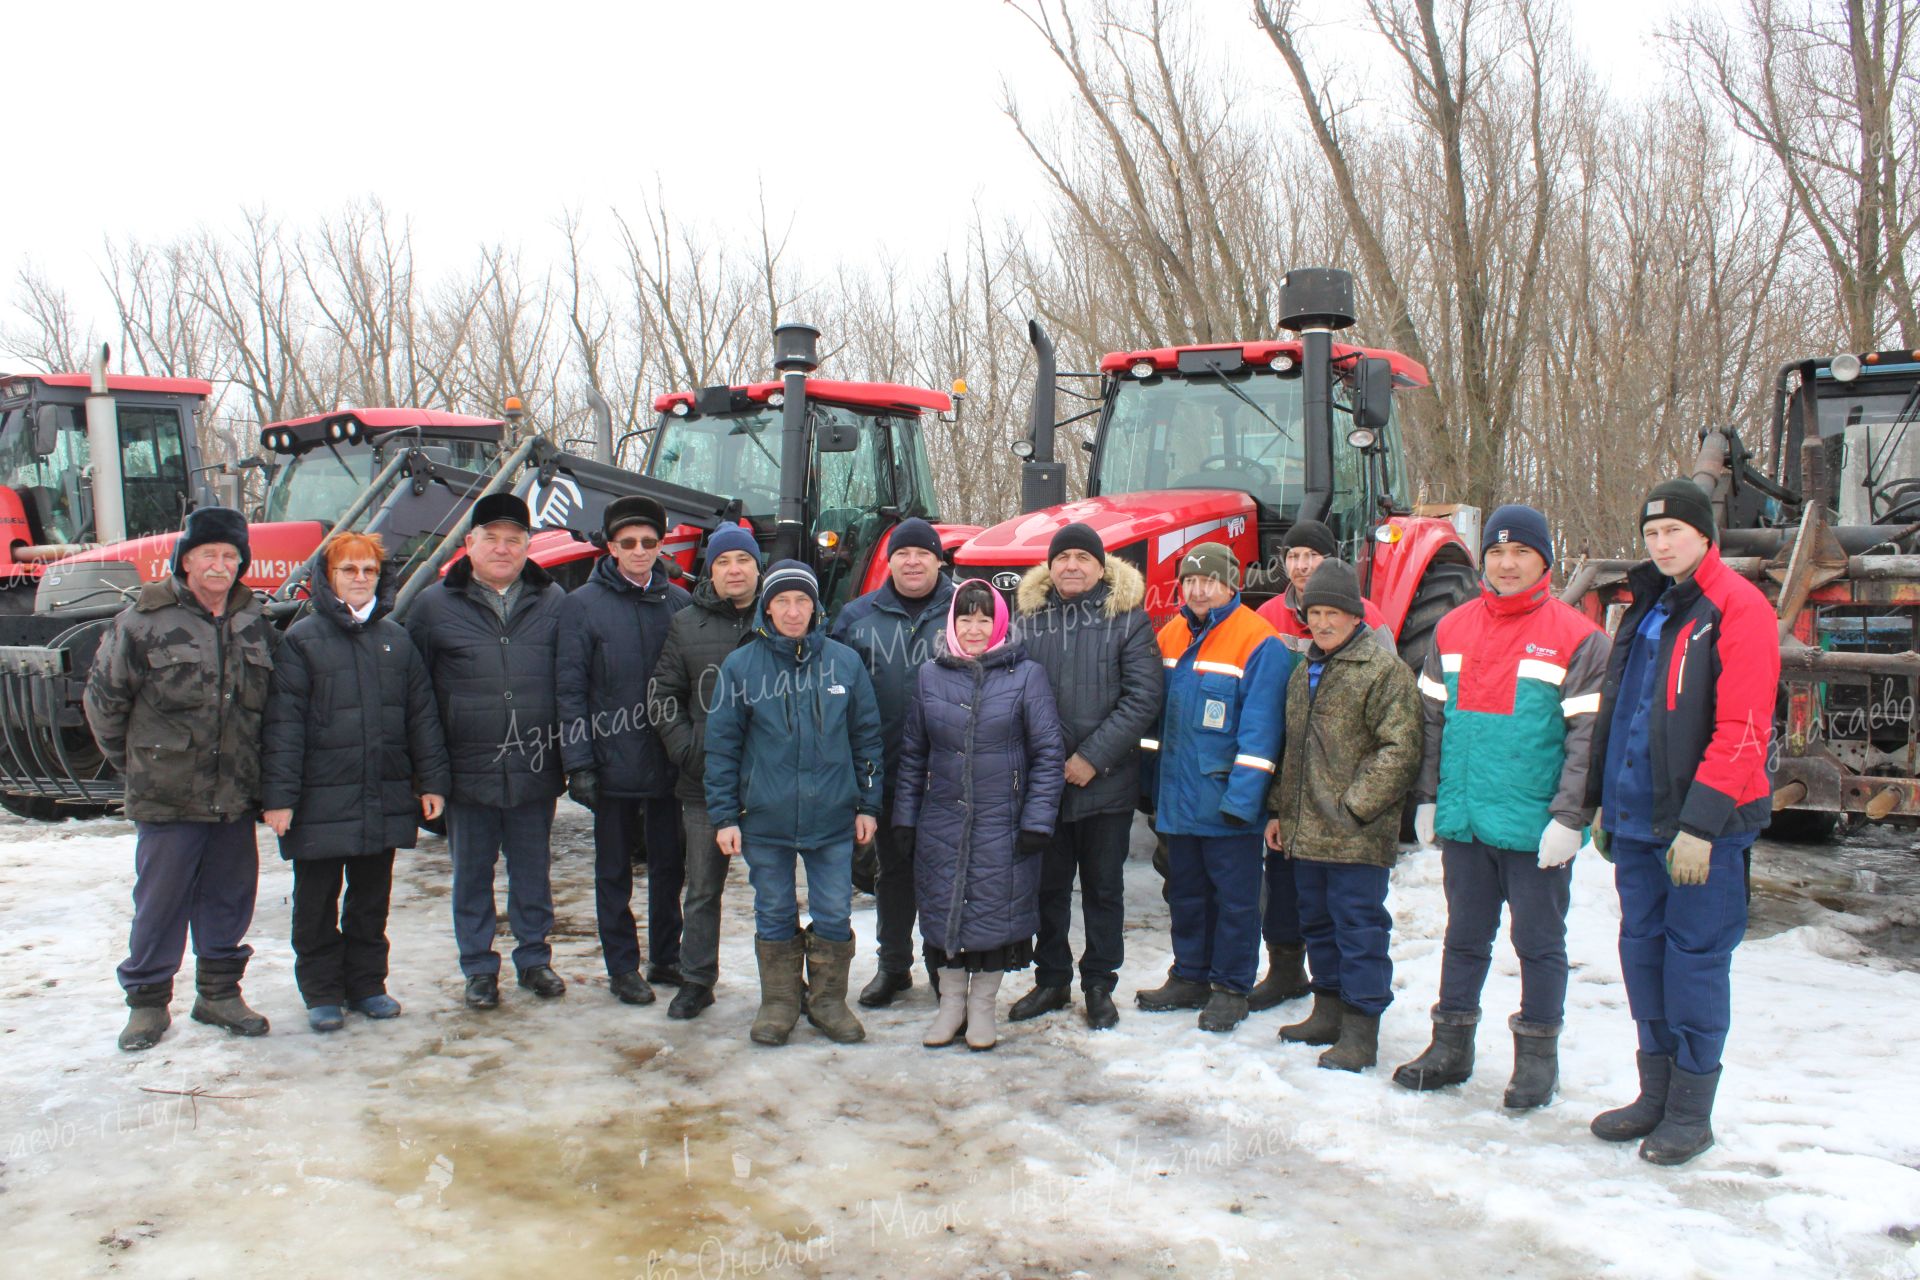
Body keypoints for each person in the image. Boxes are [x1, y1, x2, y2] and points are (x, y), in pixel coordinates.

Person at [1586, 479, 1778, 1166]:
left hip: (1703, 831)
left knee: (1694, 963)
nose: (1661, 544)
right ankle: (1655, 1094)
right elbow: (1623, 711)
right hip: (1639, 820)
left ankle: (1691, 1113)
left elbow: (1744, 728)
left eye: (1673, 531)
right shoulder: (1650, 605)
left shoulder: (1737, 608)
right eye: (1651, 534)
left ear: (1705, 535)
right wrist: (1605, 800)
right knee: (1643, 955)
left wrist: (1701, 824)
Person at [1392, 505, 1607, 1107]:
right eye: (1496, 552)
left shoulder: (1579, 639)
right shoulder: (1452, 629)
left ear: (1545, 560)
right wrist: (1427, 797)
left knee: (1539, 945)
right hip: (1466, 821)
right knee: (1464, 938)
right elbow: (1432, 723)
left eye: (1521, 553)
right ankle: (1451, 1046)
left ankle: (1537, 1059)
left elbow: (1587, 741)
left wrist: (1569, 818)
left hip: (1535, 827)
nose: (1507, 564)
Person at [84, 506, 279, 1051]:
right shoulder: (143, 621)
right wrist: (140, 766)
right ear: (185, 560)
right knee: (160, 902)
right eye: (208, 554)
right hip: (166, 796)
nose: (220, 565)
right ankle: (147, 1003)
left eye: (230, 555)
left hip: (234, 793)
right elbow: (104, 703)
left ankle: (219, 994)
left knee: (229, 898)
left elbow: (273, 707)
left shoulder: (254, 622)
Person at [260, 532, 451, 1032]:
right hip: (319, 799)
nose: (360, 579)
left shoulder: (396, 640)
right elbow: (283, 726)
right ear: (328, 578)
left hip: (380, 793)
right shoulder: (302, 641)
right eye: (349, 570)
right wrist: (279, 798)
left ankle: (367, 984)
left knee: (370, 900)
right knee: (316, 902)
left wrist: (431, 782)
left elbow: (422, 717)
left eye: (369, 570)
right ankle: (322, 991)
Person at [704, 560, 884, 1046]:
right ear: (767, 608)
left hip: (833, 818)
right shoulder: (741, 666)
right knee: (774, 910)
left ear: (815, 606)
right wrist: (725, 816)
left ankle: (827, 1002)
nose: (792, 611)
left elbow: (867, 738)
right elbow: (722, 747)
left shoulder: (844, 663)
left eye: (801, 600)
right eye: (781, 601)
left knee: (833, 912)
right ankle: (780, 1001)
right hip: (766, 818)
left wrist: (868, 805)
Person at [406, 492, 569, 1010]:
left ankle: (534, 959)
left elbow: (570, 682)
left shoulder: (553, 602)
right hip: (466, 768)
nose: (502, 549)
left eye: (514, 540)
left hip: (534, 765)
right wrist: (428, 773)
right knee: (471, 874)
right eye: (492, 539)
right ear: (469, 543)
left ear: (528, 546)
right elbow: (417, 696)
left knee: (532, 870)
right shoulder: (432, 607)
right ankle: (478, 967)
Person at [895, 579, 1066, 1051]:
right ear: (952, 622)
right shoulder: (930, 675)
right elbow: (913, 753)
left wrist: (1037, 820)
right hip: (941, 821)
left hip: (1003, 822)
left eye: (984, 618)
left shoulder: (1026, 675)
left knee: (994, 915)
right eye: (965, 618)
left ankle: (983, 1009)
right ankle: (951, 1007)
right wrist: (905, 817)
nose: (974, 628)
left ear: (1000, 623)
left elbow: (1048, 753)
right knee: (943, 913)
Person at [1266, 560, 1423, 1072]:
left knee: (1359, 928)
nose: (1323, 623)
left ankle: (1361, 1027)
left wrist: (1355, 807)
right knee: (1317, 922)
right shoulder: (1304, 673)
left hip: (1356, 834)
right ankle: (1327, 1010)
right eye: (1315, 613)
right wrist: (1279, 810)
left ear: (1356, 616)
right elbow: (1291, 749)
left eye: (1333, 613)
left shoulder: (1383, 672)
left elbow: (1399, 749)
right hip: (1305, 830)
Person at [1007, 522, 1163, 1030]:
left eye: (1082, 557)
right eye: (1063, 557)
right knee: (1047, 889)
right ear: (1050, 567)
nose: (1071, 565)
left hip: (1105, 784)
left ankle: (1099, 983)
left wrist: (1092, 758)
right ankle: (1051, 979)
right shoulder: (1027, 619)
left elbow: (1143, 697)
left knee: (1103, 890)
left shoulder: (1128, 619)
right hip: (1044, 786)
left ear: (1100, 566)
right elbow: (1009, 690)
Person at [1135, 542, 1292, 1034]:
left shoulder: (1258, 641)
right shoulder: (1171, 634)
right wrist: (1148, 787)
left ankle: (1230, 988)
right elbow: (1153, 720)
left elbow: (1262, 734)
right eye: (1190, 581)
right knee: (1185, 894)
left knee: (1235, 902)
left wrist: (1243, 802)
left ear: (1231, 585)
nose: (1199, 590)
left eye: (1209, 581)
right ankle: (1190, 975)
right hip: (1177, 800)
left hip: (1226, 804)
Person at [1248, 518, 1390, 1013]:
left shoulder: (1368, 619)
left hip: (1340, 776)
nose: (1301, 565)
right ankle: (1286, 968)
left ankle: (1349, 1002)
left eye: (1312, 555)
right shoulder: (1268, 615)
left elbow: (1386, 706)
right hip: (1287, 765)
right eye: (1293, 556)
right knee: (1284, 881)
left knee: (1345, 903)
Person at [557, 496, 692, 1007]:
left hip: (667, 759)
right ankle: (622, 966)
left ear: (660, 547)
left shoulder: (678, 604)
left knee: (668, 866)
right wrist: (579, 763)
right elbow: (570, 689)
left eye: (648, 542)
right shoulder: (581, 606)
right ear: (611, 547)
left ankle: (667, 955)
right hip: (611, 761)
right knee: (613, 870)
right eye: (628, 542)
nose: (639, 551)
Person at [831, 517, 956, 1008]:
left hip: (949, 773)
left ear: (938, 560)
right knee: (893, 873)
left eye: (922, 553)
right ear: (891, 561)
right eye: (903, 553)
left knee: (945, 874)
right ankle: (893, 966)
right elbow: (835, 692)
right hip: (883, 770)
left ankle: (944, 966)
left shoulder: (965, 609)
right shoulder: (857, 617)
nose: (912, 562)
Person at [648, 520, 763, 1020]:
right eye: (723, 562)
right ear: (710, 571)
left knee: (776, 891)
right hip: (703, 784)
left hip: (769, 784)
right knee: (701, 891)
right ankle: (696, 980)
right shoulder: (686, 624)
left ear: (758, 567)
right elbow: (662, 695)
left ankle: (784, 983)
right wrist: (689, 749)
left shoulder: (783, 614)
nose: (734, 570)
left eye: (743, 560)